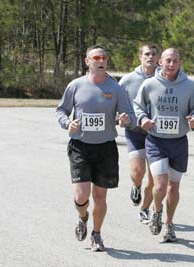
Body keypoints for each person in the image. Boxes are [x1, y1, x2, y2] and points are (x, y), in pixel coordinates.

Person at [56, 45, 136, 252]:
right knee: (82, 195)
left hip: (105, 148)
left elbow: (130, 117)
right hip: (80, 146)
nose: (101, 61)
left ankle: (97, 234)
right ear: (87, 61)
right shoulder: (75, 85)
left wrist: (126, 120)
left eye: (104, 57)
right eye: (96, 57)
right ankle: (82, 217)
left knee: (100, 197)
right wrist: (68, 123)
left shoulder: (116, 89)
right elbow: (61, 111)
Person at [133, 48, 194, 242]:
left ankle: (169, 223)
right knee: (160, 186)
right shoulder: (149, 85)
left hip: (179, 142)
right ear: (160, 63)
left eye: (175, 61)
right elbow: (138, 106)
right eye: (168, 61)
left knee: (173, 187)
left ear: (180, 63)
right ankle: (156, 211)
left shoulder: (189, 86)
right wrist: (143, 119)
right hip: (156, 141)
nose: (171, 64)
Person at [118, 44, 159, 223]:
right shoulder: (128, 80)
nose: (150, 57)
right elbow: (117, 101)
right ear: (140, 56)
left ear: (158, 58)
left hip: (156, 134)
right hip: (134, 131)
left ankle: (145, 209)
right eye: (146, 54)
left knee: (154, 176)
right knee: (137, 171)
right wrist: (118, 117)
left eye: (153, 54)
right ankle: (136, 185)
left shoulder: (163, 78)